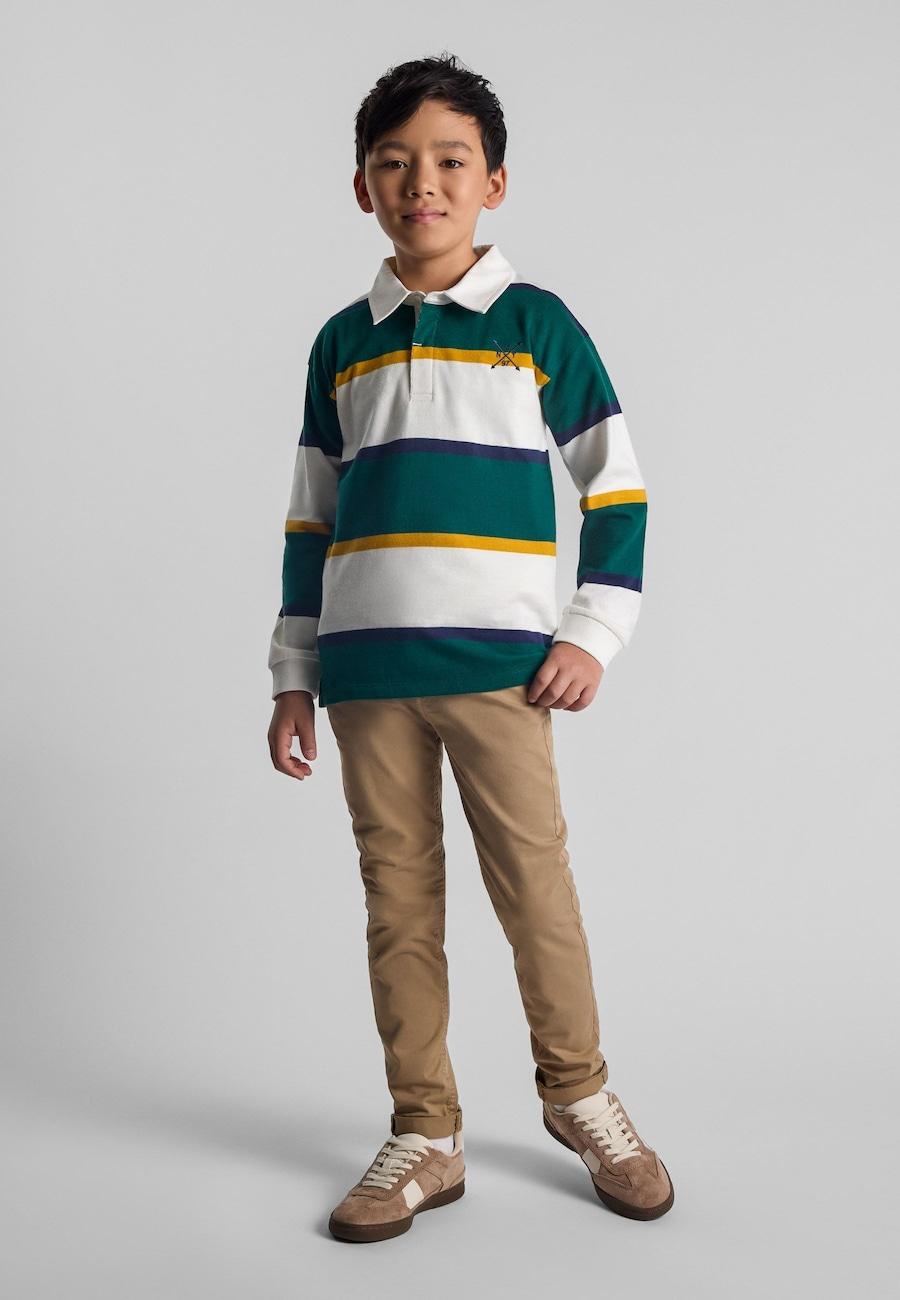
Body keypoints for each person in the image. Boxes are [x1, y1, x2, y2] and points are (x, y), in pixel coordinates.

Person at [266, 52, 673, 1242]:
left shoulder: (536, 324)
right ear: (363, 187)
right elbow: (309, 518)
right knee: (398, 902)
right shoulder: (341, 343)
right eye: (395, 163)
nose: (422, 184)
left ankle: (581, 1095)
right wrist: (294, 675)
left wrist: (593, 631)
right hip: (366, 679)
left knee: (535, 891)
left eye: (450, 161)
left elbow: (619, 487)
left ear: (494, 182)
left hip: (502, 675)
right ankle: (425, 1131)